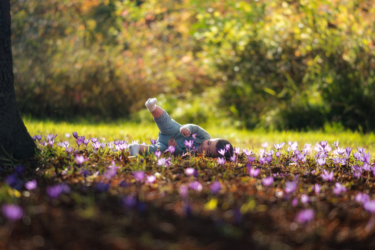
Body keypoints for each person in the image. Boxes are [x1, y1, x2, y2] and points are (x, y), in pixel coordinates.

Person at [128, 98, 233, 158]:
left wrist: (174, 148)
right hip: (176, 131)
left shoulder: (197, 155)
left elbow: (182, 154)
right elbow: (195, 128)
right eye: (209, 143)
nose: (205, 147)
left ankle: (135, 148)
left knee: (156, 150)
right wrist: (187, 128)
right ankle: (152, 107)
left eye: (208, 152)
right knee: (165, 121)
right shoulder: (205, 136)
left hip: (167, 145)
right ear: (211, 139)